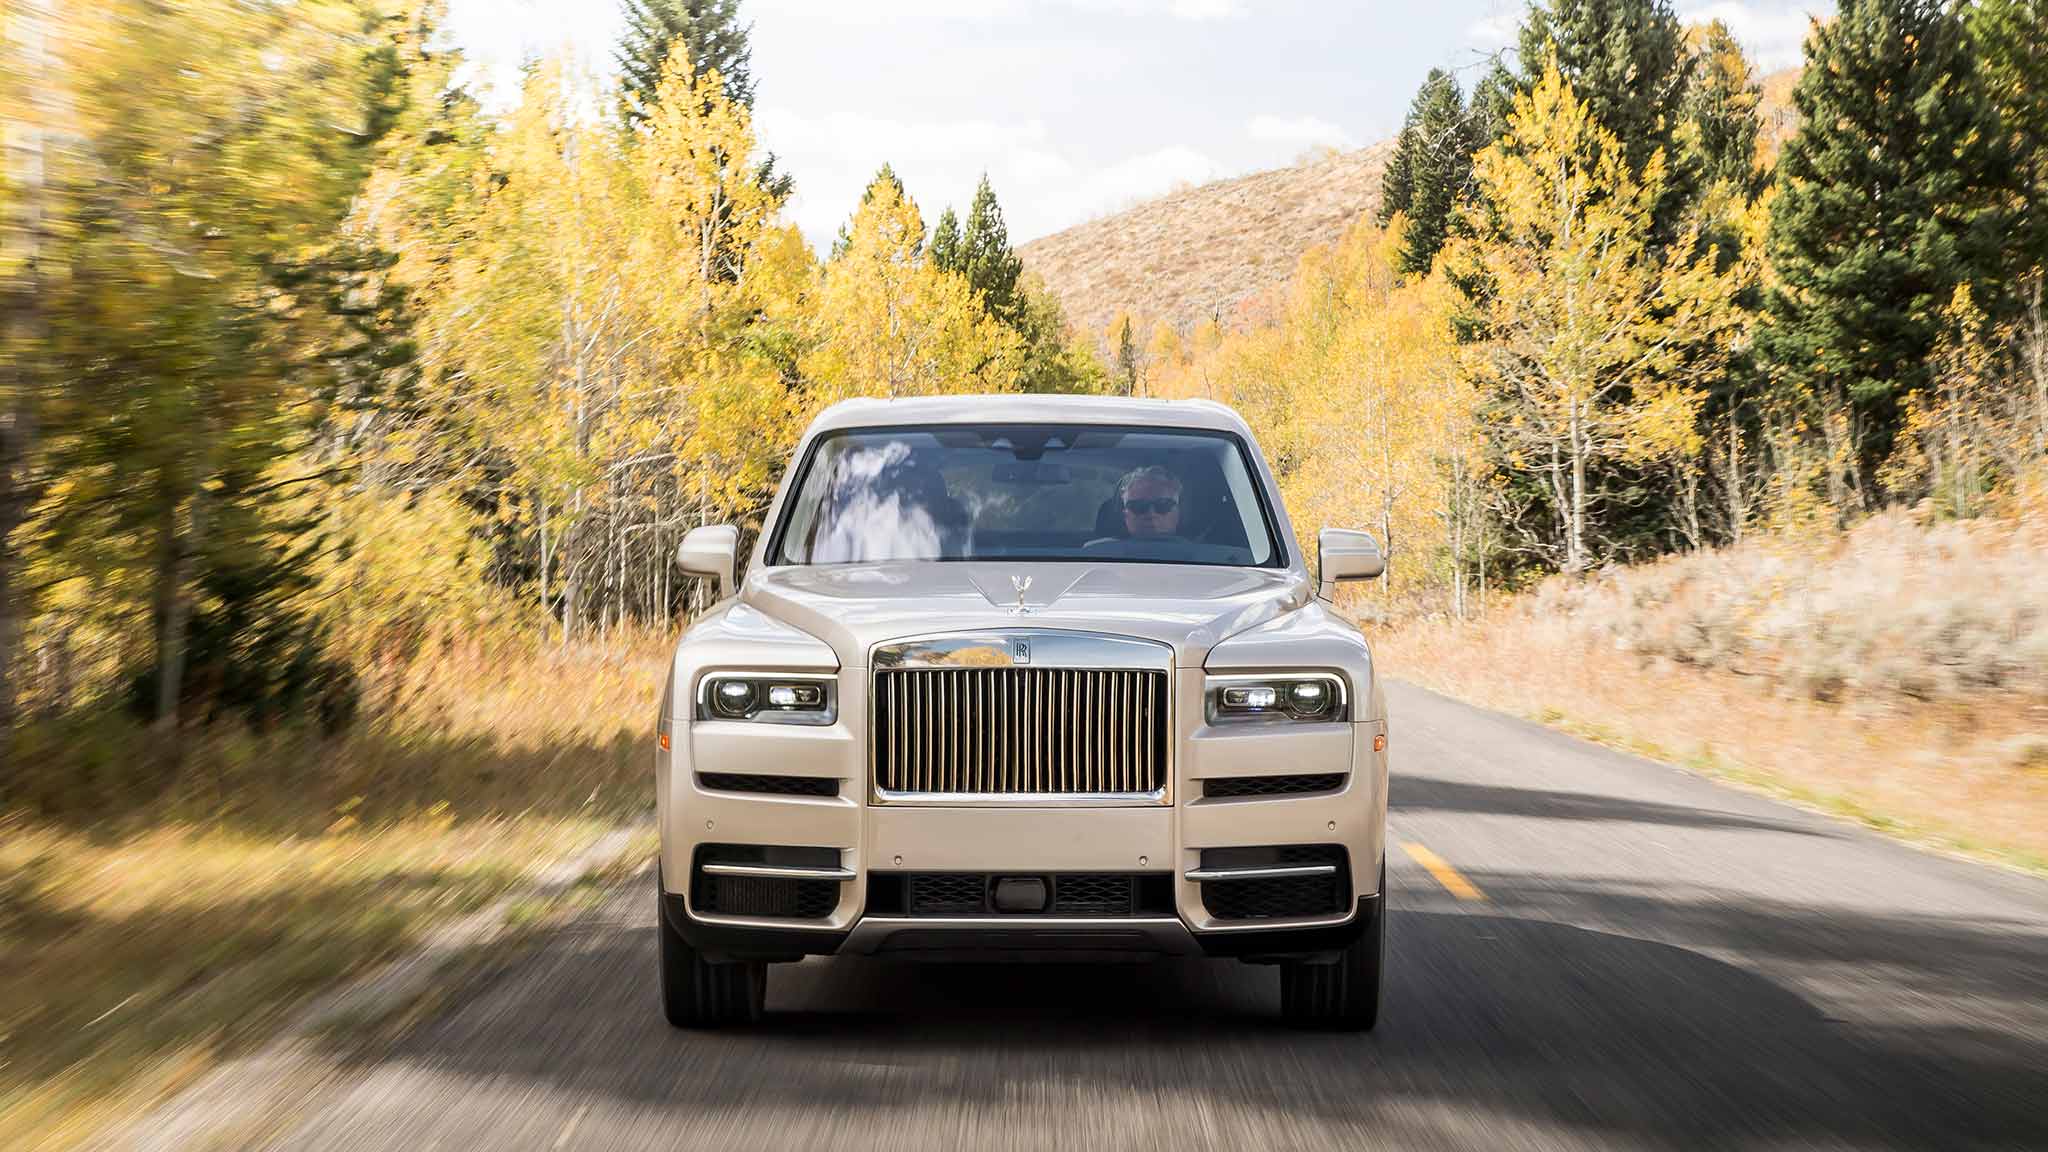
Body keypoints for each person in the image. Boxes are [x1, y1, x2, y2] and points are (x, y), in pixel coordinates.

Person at [1118, 465, 1183, 539]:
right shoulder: (1105, 549)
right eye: (1139, 506)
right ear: (1125, 516)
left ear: (1177, 514)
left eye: (1162, 505)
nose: (1151, 514)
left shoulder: (1195, 550)